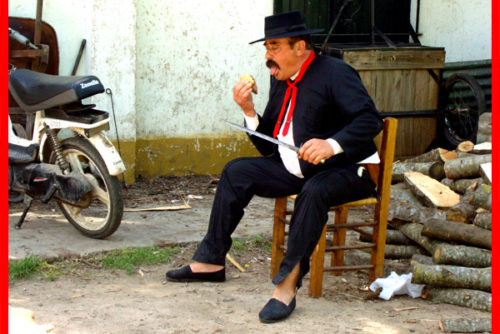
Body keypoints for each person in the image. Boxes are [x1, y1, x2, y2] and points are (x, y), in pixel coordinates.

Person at [166, 11, 383, 323]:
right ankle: (210, 262)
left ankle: (286, 286)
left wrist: (330, 144)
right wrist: (248, 111)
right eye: (266, 48)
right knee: (236, 172)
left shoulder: (336, 72)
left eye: (274, 47)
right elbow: (270, 146)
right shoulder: (279, 79)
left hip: (349, 170)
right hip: (297, 168)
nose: (268, 56)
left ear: (300, 47)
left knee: (314, 191)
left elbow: (370, 119)